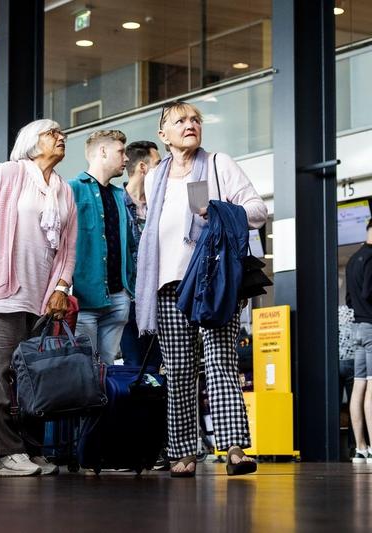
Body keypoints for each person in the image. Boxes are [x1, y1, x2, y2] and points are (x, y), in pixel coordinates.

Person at [135, 101, 266, 477]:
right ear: (164, 134)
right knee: (177, 371)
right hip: (167, 286)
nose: (190, 124)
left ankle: (235, 450)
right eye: (180, 121)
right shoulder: (154, 177)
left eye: (195, 119)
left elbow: (257, 210)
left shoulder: (219, 163)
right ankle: (183, 452)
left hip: (213, 282)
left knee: (221, 362)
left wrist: (217, 210)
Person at [0, 118, 77, 476]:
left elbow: (69, 247)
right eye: (52, 134)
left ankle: (30, 447)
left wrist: (61, 288)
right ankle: (6, 451)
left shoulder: (63, 189)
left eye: (61, 134)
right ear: (31, 141)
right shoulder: (9, 173)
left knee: (34, 377)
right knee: (1, 374)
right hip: (0, 291)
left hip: (41, 297)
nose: (61, 138)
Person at [69, 130, 135, 366]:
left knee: (106, 371)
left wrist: (129, 290)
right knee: (83, 371)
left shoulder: (120, 195)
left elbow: (130, 245)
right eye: (121, 152)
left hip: (119, 297)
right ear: (103, 151)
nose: (126, 158)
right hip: (84, 299)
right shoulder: (72, 189)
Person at [120, 140, 164, 368]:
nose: (163, 167)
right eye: (157, 163)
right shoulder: (117, 202)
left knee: (158, 368)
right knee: (133, 366)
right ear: (143, 168)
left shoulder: (162, 205)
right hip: (129, 301)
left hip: (159, 299)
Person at [345, 223, 372, 464]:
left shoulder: (353, 259)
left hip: (357, 328)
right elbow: (367, 292)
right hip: (371, 327)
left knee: (359, 386)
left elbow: (350, 299)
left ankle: (361, 448)